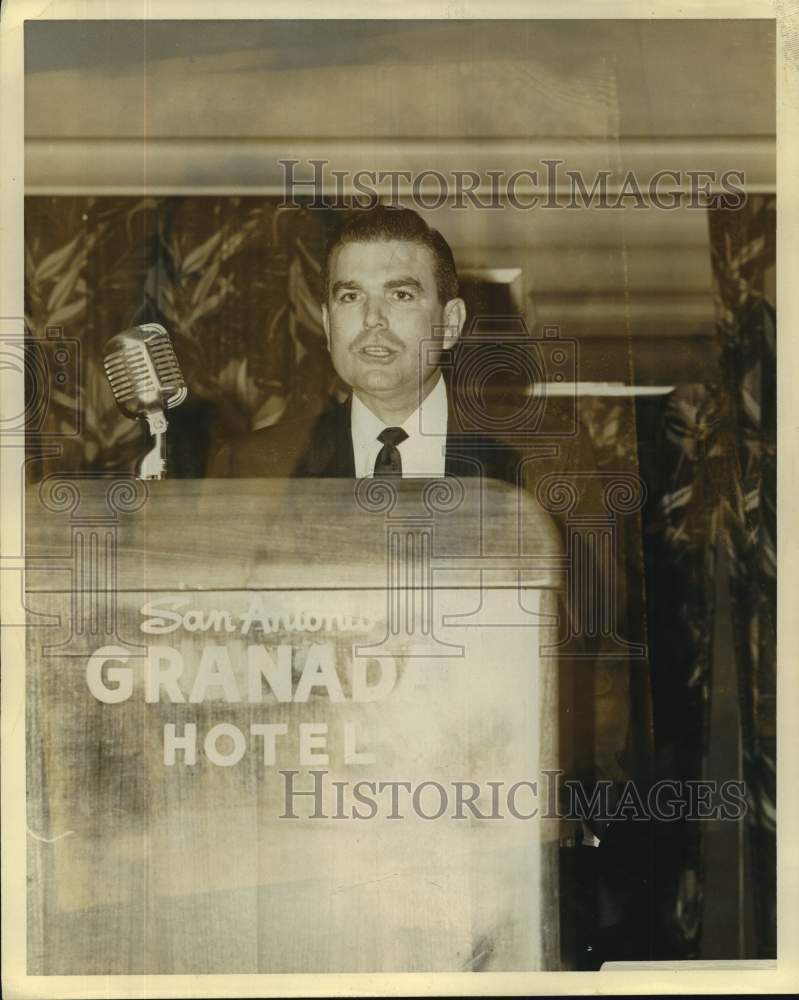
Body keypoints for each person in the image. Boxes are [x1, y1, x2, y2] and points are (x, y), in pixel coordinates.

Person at [209, 205, 520, 485]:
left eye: (401, 295)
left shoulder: (546, 461)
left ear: (451, 323)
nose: (372, 318)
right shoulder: (250, 470)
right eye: (351, 297)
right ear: (329, 324)